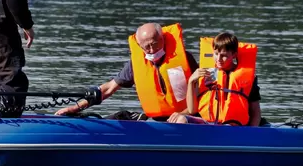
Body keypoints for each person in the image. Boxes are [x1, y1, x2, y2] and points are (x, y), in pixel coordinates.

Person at [55, 22, 199, 121]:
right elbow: (108, 88)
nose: (151, 50)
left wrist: (184, 114)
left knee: (181, 121)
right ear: (139, 46)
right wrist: (76, 107)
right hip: (157, 120)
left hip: (186, 117)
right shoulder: (136, 64)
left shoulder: (185, 59)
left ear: (163, 39)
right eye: (146, 47)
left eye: (154, 44)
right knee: (121, 116)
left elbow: (204, 93)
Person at [168, 32, 262, 126]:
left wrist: (252, 134)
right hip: (208, 124)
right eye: (216, 54)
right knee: (181, 119)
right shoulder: (204, 74)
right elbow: (192, 110)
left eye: (224, 55)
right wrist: (191, 81)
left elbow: (255, 112)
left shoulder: (247, 78)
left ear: (234, 55)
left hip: (233, 128)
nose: (219, 59)